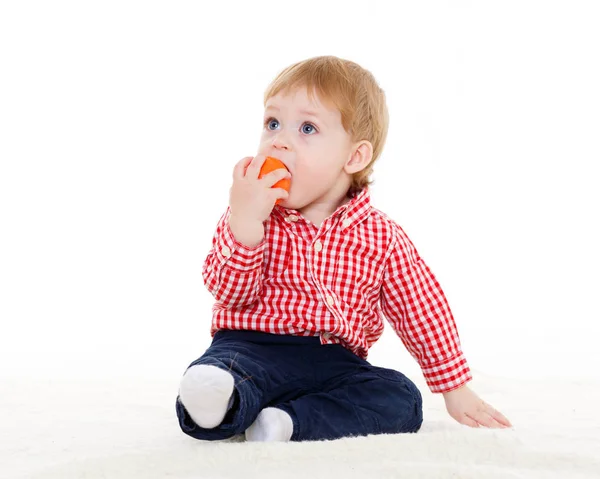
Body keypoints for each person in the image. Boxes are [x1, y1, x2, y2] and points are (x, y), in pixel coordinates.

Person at [175, 55, 512, 442]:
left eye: (307, 128)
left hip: (335, 362)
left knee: (401, 399)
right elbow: (229, 291)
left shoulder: (381, 236)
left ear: (354, 157)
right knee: (224, 373)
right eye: (272, 123)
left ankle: (285, 423)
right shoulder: (250, 212)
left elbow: (421, 309)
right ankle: (216, 400)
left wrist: (454, 387)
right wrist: (246, 224)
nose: (278, 140)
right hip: (252, 347)